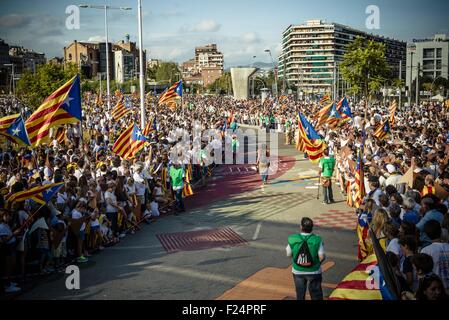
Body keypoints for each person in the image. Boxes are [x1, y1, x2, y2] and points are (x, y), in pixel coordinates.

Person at [286, 217, 325, 300]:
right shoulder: (317, 239)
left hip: (298, 271)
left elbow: (288, 254)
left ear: (301, 227)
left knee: (300, 293)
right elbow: (322, 257)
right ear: (312, 228)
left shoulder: (292, 238)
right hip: (314, 271)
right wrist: (316, 263)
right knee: (316, 294)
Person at [420, 220, 449, 291]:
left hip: (436, 289)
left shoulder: (425, 251)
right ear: (441, 231)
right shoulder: (447, 246)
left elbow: (423, 273)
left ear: (426, 234)